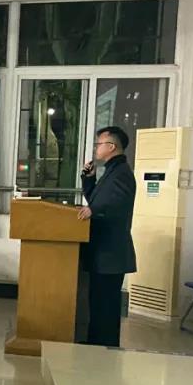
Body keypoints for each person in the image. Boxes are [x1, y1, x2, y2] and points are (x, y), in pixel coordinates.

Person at [78, 126, 137, 348]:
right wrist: (89, 179)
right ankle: (96, 343)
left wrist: (94, 209)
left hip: (111, 253)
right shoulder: (112, 171)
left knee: (106, 304)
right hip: (103, 252)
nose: (96, 148)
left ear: (111, 146)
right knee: (98, 302)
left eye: (99, 144)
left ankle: (105, 347)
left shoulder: (121, 173)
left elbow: (117, 205)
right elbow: (97, 200)